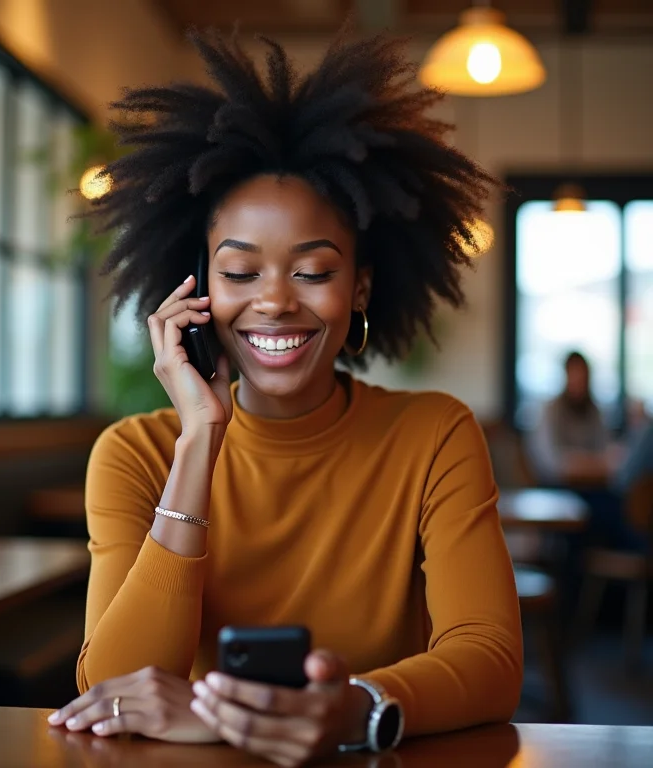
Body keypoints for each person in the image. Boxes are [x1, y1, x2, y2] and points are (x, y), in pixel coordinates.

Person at [47, 28, 523, 765]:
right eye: (240, 274)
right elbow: (111, 690)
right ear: (198, 287)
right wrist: (200, 438)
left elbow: (490, 660)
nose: (274, 302)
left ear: (358, 286)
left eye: (313, 270)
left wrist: (347, 710)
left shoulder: (435, 435)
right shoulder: (135, 455)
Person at [529, 351, 613, 486]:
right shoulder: (551, 410)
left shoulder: (594, 411)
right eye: (575, 376)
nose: (579, 383)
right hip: (557, 485)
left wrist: (589, 464)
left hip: (593, 484)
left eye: (582, 377)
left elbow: (605, 450)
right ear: (566, 375)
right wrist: (577, 463)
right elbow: (547, 459)